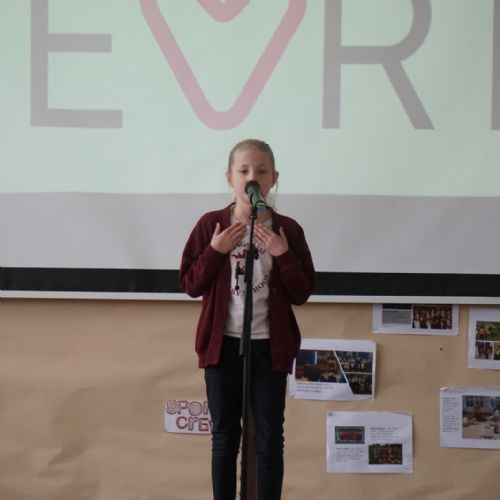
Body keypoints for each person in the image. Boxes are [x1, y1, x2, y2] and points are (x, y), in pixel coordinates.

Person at [178, 139, 316, 500]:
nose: (252, 177)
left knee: (269, 439)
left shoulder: (288, 229)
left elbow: (302, 292)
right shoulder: (211, 224)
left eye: (261, 171)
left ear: (273, 179)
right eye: (243, 171)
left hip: (269, 348)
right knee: (225, 436)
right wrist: (215, 251)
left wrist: (283, 254)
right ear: (230, 178)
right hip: (223, 347)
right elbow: (190, 284)